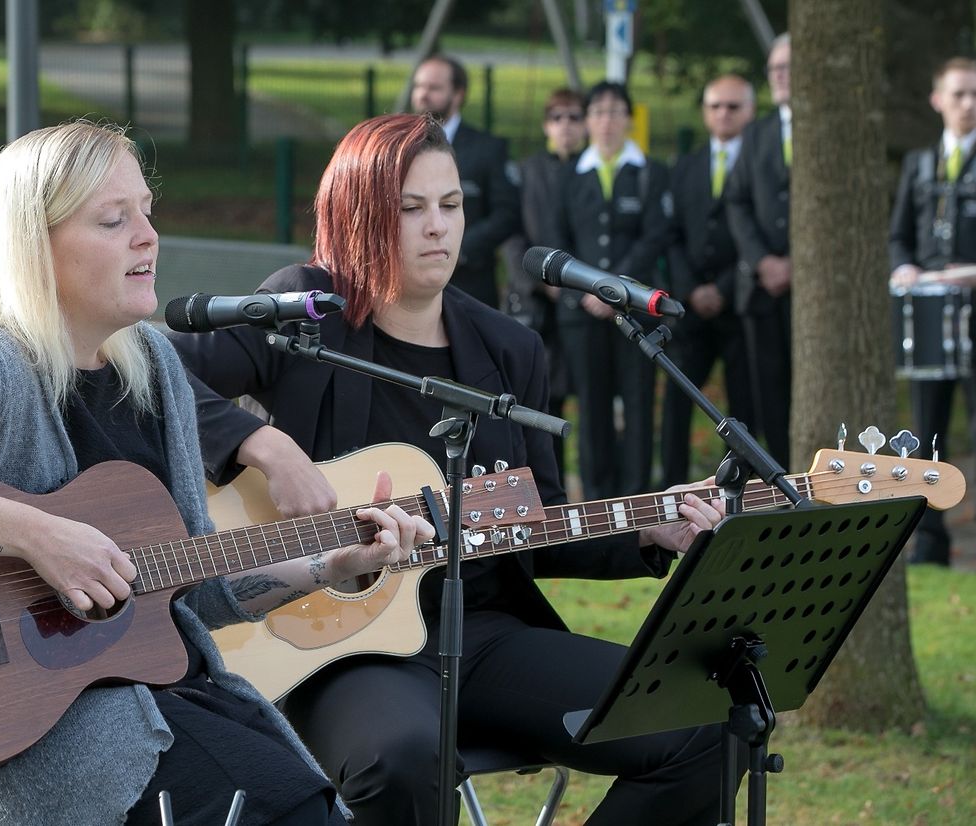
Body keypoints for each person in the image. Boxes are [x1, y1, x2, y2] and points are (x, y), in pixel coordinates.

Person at [0, 120, 432, 826]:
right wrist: (37, 536)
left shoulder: (152, 368)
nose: (147, 237)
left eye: (147, 213)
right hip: (28, 749)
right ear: (33, 244)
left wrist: (328, 564)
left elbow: (186, 593)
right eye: (112, 219)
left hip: (162, 708)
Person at [171, 113, 736, 826]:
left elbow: (537, 520)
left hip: (487, 633)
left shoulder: (508, 349)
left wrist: (650, 531)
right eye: (410, 209)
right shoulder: (305, 309)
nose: (437, 227)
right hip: (341, 643)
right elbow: (153, 378)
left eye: (451, 204)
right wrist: (263, 445)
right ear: (358, 214)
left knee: (707, 723)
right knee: (404, 759)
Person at [552, 81, 672, 500]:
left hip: (634, 309)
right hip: (582, 312)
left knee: (638, 402)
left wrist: (615, 289)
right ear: (588, 121)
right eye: (598, 112)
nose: (606, 120)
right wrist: (589, 290)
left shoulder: (650, 173)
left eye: (615, 111)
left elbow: (654, 237)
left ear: (628, 119)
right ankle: (598, 495)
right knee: (592, 403)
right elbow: (560, 238)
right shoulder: (570, 175)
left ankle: (637, 493)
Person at [889, 57, 976, 567]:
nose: (969, 104)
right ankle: (929, 541)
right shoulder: (920, 163)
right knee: (927, 430)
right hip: (927, 316)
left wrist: (971, 273)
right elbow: (898, 234)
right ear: (938, 100)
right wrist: (903, 267)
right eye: (960, 94)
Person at [660, 74, 757, 487]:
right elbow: (673, 234)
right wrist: (692, 290)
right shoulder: (686, 166)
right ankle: (672, 493)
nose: (723, 113)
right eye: (716, 105)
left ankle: (737, 494)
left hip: (742, 307)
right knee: (678, 408)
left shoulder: (760, 165)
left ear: (750, 112)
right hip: (691, 309)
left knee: (745, 408)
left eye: (733, 106)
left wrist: (725, 289)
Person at [503, 87, 588, 479]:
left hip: (584, 304)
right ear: (545, 125)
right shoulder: (528, 170)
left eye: (574, 117)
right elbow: (512, 234)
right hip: (536, 304)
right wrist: (538, 280)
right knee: (539, 403)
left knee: (588, 401)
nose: (566, 126)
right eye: (557, 118)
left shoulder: (590, 170)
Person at [725, 32, 793, 470]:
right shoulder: (758, 133)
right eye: (775, 68)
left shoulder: (833, 131)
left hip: (813, 291)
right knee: (770, 397)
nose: (781, 76)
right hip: (763, 289)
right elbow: (737, 200)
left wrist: (798, 264)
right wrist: (763, 260)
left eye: (790, 66)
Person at [410, 53, 520, 309]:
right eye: (419, 86)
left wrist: (458, 248)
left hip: (471, 287)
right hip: (412, 288)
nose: (423, 95)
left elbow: (508, 213)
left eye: (434, 88)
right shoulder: (399, 148)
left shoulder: (488, 149)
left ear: (458, 94)